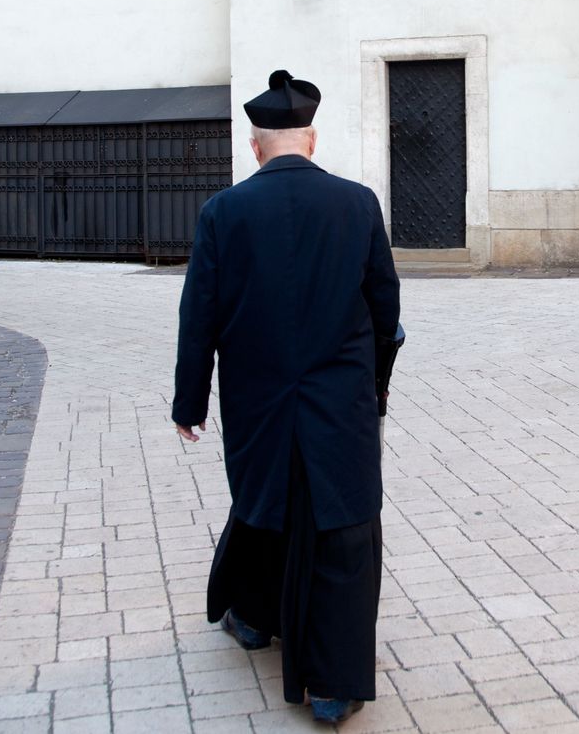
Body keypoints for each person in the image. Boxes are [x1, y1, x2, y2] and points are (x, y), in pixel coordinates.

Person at [172, 69, 401, 724]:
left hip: (257, 405)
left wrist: (190, 402)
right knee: (342, 531)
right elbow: (385, 310)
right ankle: (330, 685)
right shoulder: (358, 205)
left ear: (255, 146)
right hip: (341, 405)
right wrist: (375, 385)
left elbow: (200, 316)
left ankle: (252, 618)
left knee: (264, 503)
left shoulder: (223, 212)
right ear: (311, 139)